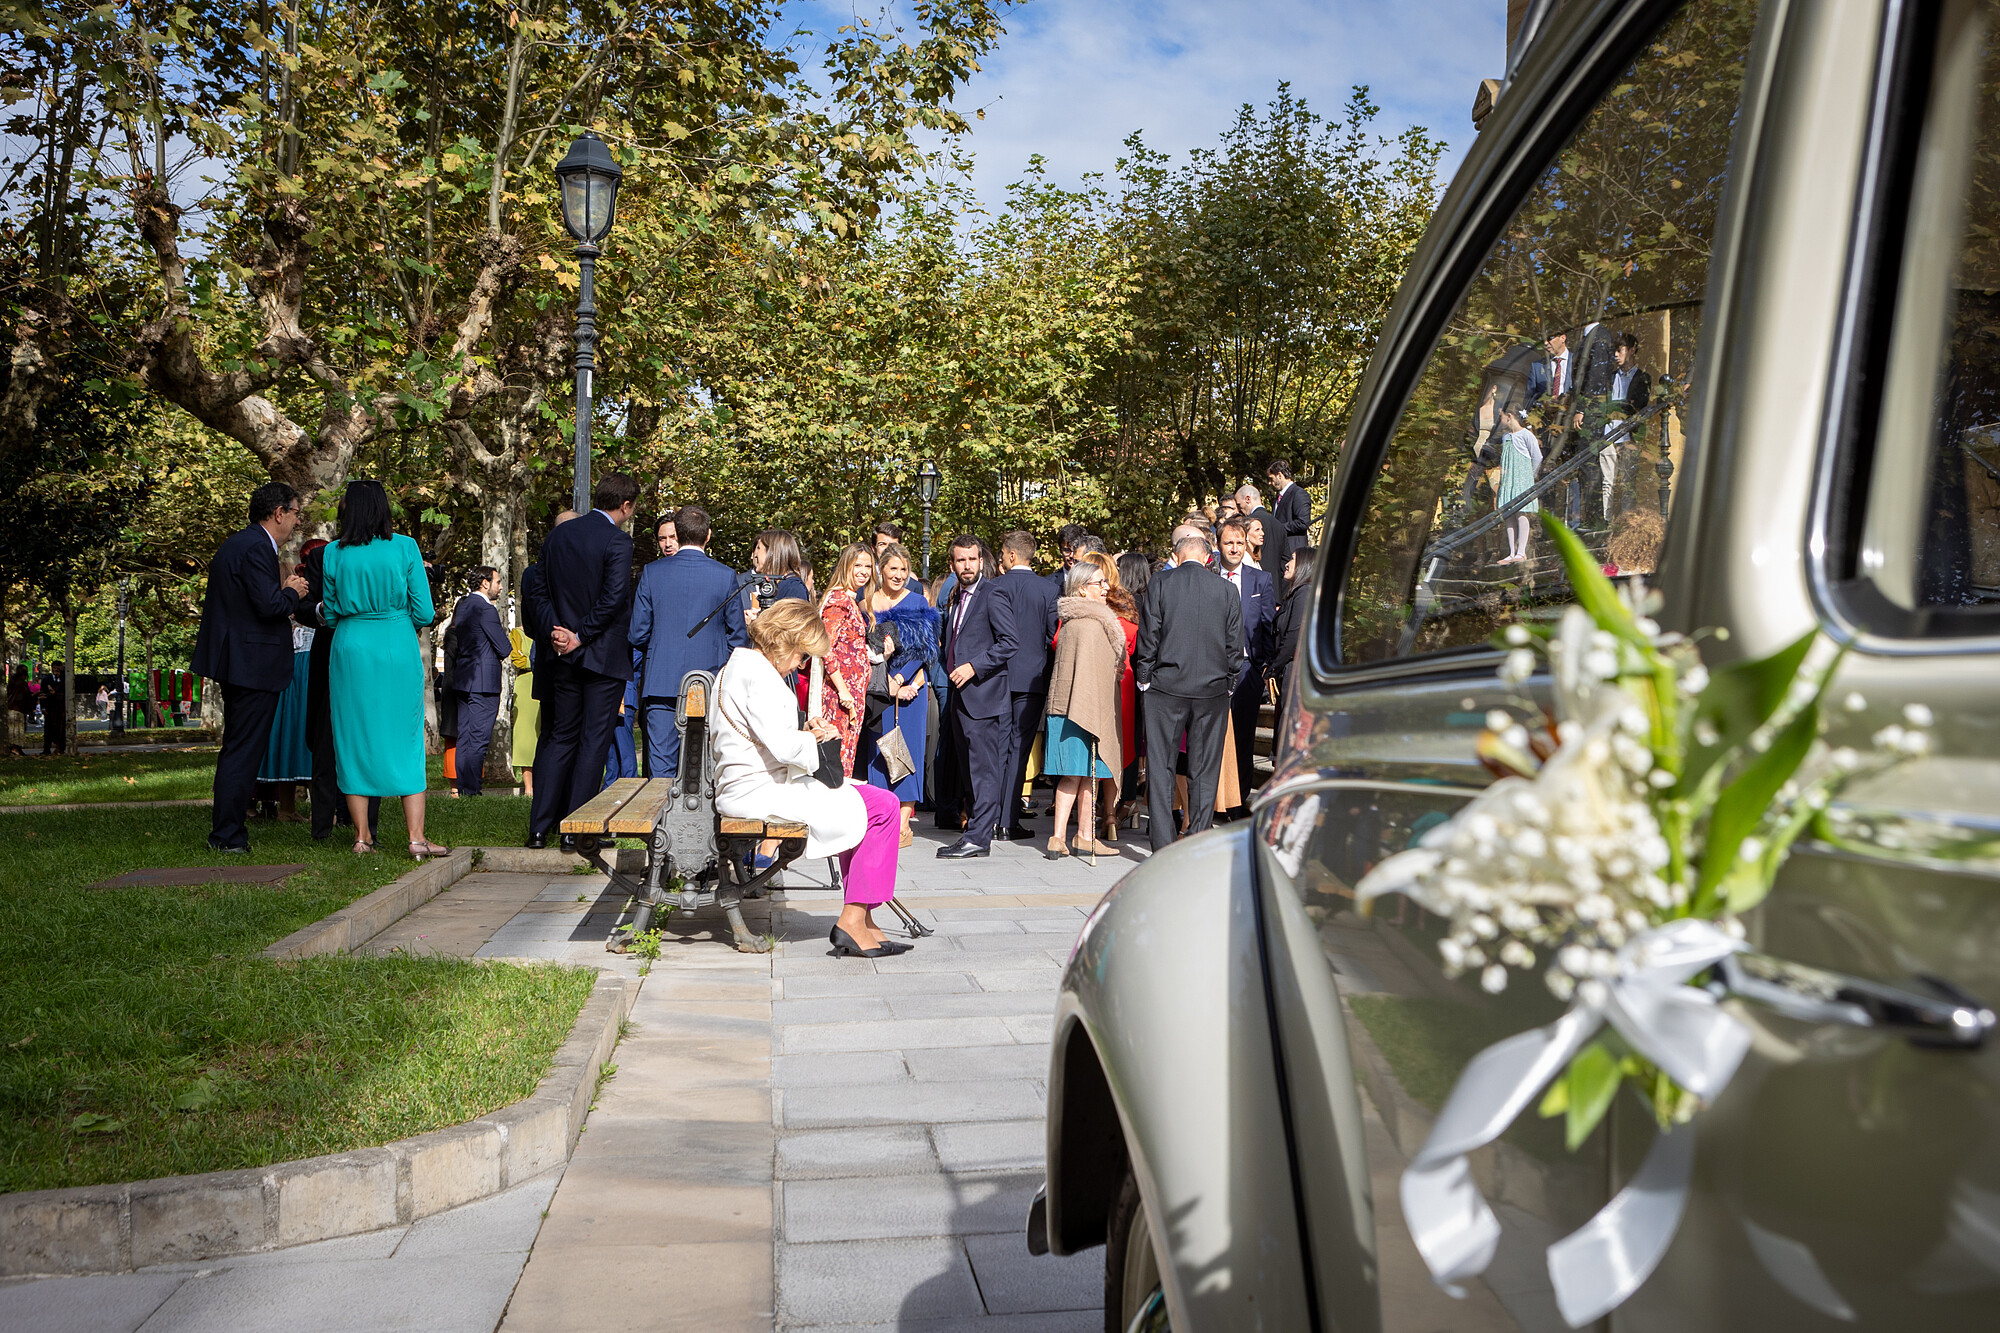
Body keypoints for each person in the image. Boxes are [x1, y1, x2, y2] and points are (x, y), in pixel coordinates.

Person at [712, 600, 909, 957]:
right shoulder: (760, 676)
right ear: (785, 642)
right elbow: (786, 748)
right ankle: (854, 920)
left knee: (872, 803)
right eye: (802, 655)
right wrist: (818, 736)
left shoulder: (740, 666)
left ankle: (864, 920)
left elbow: (764, 736)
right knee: (882, 807)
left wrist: (804, 729)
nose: (801, 664)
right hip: (759, 790)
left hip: (751, 785)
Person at [321, 479, 443, 858]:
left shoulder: (333, 552)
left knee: (353, 737)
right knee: (406, 738)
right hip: (395, 644)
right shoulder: (405, 547)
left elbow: (331, 612)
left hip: (351, 648)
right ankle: (416, 838)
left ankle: (362, 837)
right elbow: (424, 611)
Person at [190, 481, 309, 853]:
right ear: (278, 513)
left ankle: (228, 831)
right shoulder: (257, 547)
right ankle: (227, 836)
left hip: (241, 661)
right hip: (252, 664)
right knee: (243, 751)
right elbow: (269, 606)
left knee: (238, 748)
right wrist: (292, 591)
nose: (297, 521)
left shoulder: (240, 543)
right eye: (295, 513)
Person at [525, 475, 638, 851]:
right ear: (626, 506)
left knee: (560, 737)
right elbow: (614, 598)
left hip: (561, 655)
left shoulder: (558, 536)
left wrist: (555, 632)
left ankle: (539, 829)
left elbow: (537, 591)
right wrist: (580, 635)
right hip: (601, 656)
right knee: (593, 741)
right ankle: (576, 829)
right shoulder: (618, 541)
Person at [1136, 530, 1241, 852]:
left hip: (1166, 687)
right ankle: (1197, 840)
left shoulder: (1160, 583)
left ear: (1176, 556)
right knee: (1205, 769)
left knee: (1161, 767)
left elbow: (1149, 633)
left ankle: (1162, 845)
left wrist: (1144, 675)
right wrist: (1230, 681)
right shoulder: (1226, 589)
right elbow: (1234, 642)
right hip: (1212, 689)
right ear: (1208, 558)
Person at [628, 504, 749, 780]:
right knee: (705, 767)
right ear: (708, 535)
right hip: (709, 683)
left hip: (661, 683)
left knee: (661, 771)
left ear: (678, 535)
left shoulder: (652, 572)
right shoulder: (725, 575)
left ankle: (661, 810)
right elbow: (738, 638)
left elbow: (637, 633)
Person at [936, 534, 1016, 858]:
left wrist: (973, 667)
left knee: (984, 771)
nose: (967, 565)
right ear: (952, 564)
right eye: (961, 560)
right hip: (961, 696)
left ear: (981, 561)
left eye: (972, 559)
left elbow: (1010, 642)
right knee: (970, 770)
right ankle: (974, 834)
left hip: (984, 696)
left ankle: (980, 838)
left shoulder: (992, 594)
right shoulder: (956, 595)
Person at [1043, 560, 1126, 862]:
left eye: (1105, 582)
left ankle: (1061, 837)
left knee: (1077, 774)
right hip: (1082, 708)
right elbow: (1098, 673)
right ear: (1081, 589)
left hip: (1066, 707)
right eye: (1098, 583)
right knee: (1086, 774)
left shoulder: (1071, 622)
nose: (1105, 587)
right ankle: (1081, 836)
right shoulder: (1091, 624)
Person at [857, 542, 939, 845]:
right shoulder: (866, 601)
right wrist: (884, 680)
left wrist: (901, 679)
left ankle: (903, 824)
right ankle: (882, 818)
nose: (899, 575)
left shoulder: (918, 602)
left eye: (904, 569)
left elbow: (925, 649)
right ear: (882, 570)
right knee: (879, 752)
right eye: (893, 568)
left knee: (908, 752)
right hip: (877, 690)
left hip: (909, 692)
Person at [995, 530, 1057, 838]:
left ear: (1011, 555)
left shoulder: (994, 586)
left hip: (996, 676)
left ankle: (990, 817)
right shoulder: (1048, 589)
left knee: (996, 747)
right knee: (1020, 748)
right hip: (1033, 678)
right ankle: (1008, 820)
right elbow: (1053, 635)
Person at [1216, 518, 1276, 813]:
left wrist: (1263, 666)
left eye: (1240, 543)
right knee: (1213, 738)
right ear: (1218, 545)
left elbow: (1267, 625)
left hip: (1247, 670)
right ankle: (1212, 802)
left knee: (1242, 739)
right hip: (1213, 670)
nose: (1235, 548)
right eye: (1229, 542)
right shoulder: (1208, 576)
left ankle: (1237, 803)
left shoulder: (1260, 580)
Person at [1080, 550, 1138, 842]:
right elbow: (1134, 643)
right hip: (1124, 677)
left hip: (1095, 677)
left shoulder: (1087, 609)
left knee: (1091, 743)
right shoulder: (1126, 607)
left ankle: (1090, 815)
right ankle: (1112, 815)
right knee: (1117, 746)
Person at [255, 556, 316, 822]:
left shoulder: (275, 608)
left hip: (284, 673)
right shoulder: (295, 607)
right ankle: (316, 809)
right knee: (305, 735)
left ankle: (287, 808)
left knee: (287, 735)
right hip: (301, 674)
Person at [447, 565, 509, 797]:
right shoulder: (485, 609)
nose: (501, 587)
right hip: (483, 683)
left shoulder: (463, 605)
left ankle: (465, 788)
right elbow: (504, 648)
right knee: (479, 738)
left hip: (464, 679)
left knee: (465, 737)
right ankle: (472, 790)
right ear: (485, 583)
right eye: (498, 582)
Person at [815, 544, 874, 776]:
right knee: (838, 758)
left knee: (847, 756)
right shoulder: (838, 600)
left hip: (853, 693)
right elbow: (826, 648)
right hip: (840, 697)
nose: (863, 571)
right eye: (857, 565)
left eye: (868, 566)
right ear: (846, 565)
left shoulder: (850, 599)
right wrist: (843, 691)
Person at [1601, 331, 1652, 518]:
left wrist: (1620, 407)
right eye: (1614, 351)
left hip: (1628, 438)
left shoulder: (1643, 378)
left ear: (1632, 350)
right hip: (1607, 434)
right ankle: (1606, 521)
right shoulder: (1609, 377)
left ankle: (1626, 524)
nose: (1616, 355)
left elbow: (1638, 407)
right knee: (1607, 482)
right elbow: (1602, 405)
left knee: (1628, 484)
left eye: (1620, 350)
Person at [1269, 545, 1317, 716]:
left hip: (1295, 673)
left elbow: (1295, 634)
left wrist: (1273, 667)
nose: (1287, 564)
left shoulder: (1305, 592)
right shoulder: (1296, 594)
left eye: (1292, 559)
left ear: (1305, 565)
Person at [1496, 404, 1543, 565]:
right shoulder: (1506, 437)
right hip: (1508, 480)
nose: (1500, 420)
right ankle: (1511, 552)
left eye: (1501, 416)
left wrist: (1530, 475)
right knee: (1509, 515)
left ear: (1509, 416)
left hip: (1522, 479)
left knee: (1521, 513)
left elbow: (1537, 456)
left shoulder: (1526, 435)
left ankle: (1521, 551)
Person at [748, 529, 813, 619]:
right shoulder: (777, 585)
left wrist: (756, 622)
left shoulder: (793, 588)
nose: (755, 555)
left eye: (758, 548)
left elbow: (791, 626)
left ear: (772, 553)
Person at [1267, 460, 1311, 591]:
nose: (1270, 483)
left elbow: (1303, 522)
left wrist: (1278, 528)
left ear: (1280, 475)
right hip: (1281, 555)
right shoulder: (1277, 499)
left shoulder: (1298, 494)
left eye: (1271, 479)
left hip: (1293, 553)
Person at [508, 626, 538, 796]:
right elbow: (517, 659)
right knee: (526, 737)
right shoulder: (517, 633)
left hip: (548, 682)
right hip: (526, 685)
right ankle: (528, 788)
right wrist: (537, 662)